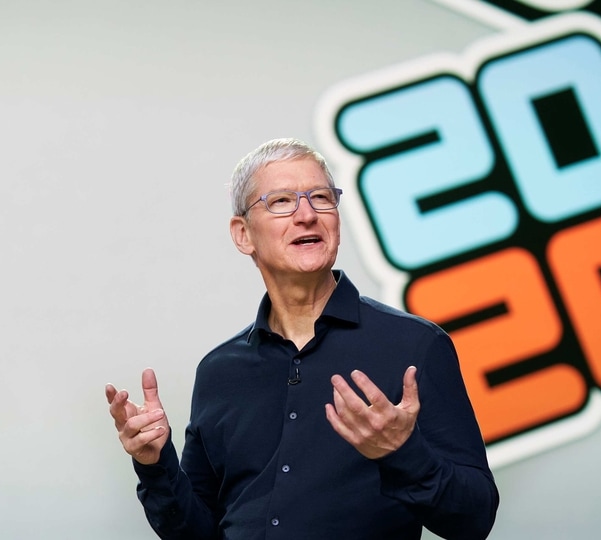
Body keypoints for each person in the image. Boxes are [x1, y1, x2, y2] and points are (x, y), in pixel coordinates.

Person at [106, 138, 498, 539]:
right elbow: (196, 532)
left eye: (321, 198)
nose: (307, 215)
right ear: (243, 235)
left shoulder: (415, 346)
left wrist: (403, 453)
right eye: (280, 202)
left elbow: (474, 520)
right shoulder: (219, 371)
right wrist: (155, 465)